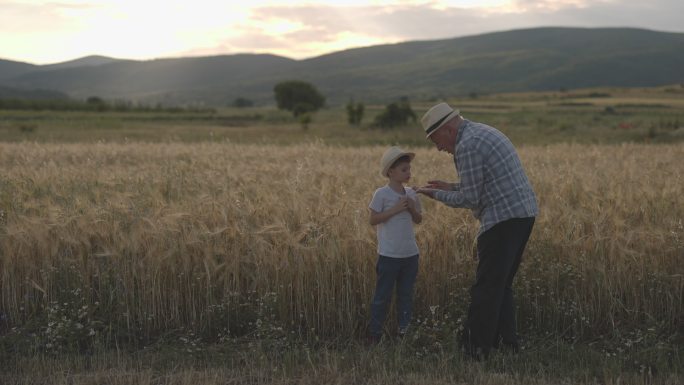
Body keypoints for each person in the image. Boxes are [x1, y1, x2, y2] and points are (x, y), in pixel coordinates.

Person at [416, 102, 538, 359]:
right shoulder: (481, 131)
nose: (438, 148)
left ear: (448, 129)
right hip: (523, 214)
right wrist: (449, 186)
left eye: (436, 140)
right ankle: (507, 344)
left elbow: (470, 198)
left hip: (503, 219)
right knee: (501, 285)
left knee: (487, 287)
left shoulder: (467, 146)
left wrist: (435, 194)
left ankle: (475, 350)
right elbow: (481, 183)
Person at [367, 146, 423, 344]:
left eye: (409, 169)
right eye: (404, 170)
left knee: (406, 296)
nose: (409, 173)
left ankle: (403, 333)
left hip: (410, 255)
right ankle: (375, 334)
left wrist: (411, 207)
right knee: (382, 297)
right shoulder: (381, 194)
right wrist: (396, 209)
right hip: (389, 255)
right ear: (391, 172)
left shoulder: (412, 194)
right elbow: (373, 219)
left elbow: (419, 220)